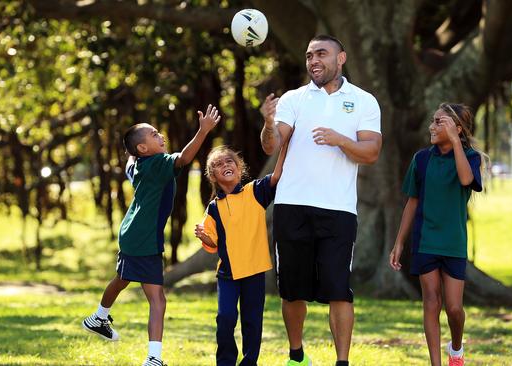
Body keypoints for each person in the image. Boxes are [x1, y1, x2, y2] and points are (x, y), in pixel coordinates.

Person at [259, 34, 382, 366]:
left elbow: (371, 151)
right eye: (310, 54)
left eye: (321, 54)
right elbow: (272, 145)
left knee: (339, 290)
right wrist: (269, 123)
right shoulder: (294, 99)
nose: (313, 60)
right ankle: (296, 356)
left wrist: (340, 139)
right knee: (292, 291)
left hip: (339, 210)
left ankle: (342, 362)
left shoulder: (364, 101)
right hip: (292, 206)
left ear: (341, 58)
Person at [82, 105, 221, 366]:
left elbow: (129, 164)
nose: (161, 136)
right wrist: (203, 132)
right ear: (144, 148)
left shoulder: (140, 165)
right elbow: (184, 158)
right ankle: (154, 359)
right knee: (157, 298)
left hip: (132, 233)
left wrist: (131, 152)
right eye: (155, 134)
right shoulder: (157, 163)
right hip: (144, 238)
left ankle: (99, 318)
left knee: (123, 278)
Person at [389, 103, 486, 366]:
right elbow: (412, 202)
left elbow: (467, 181)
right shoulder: (421, 159)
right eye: (433, 121)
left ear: (457, 128)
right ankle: (436, 363)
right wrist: (399, 242)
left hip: (453, 243)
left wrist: (456, 143)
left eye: (439, 122)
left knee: (454, 309)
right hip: (425, 240)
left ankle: (456, 349)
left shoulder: (470, 158)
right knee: (431, 301)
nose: (431, 127)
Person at [194, 143, 287, 366]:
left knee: (252, 321)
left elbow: (278, 174)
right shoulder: (214, 208)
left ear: (239, 168)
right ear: (213, 176)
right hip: (228, 274)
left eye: (229, 161)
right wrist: (203, 236)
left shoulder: (254, 191)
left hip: (254, 271)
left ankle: (249, 362)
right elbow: (213, 243)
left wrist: (284, 144)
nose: (225, 165)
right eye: (217, 164)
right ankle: (225, 361)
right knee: (225, 318)